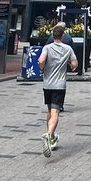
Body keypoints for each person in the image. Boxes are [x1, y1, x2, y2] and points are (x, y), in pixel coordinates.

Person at [38, 22, 78, 157]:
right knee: (55, 113)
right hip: (59, 85)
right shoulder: (68, 49)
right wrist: (70, 65)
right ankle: (48, 135)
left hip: (47, 84)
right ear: (63, 35)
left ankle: (52, 136)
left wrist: (42, 68)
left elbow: (41, 60)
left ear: (52, 35)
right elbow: (74, 65)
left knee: (49, 111)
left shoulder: (47, 48)